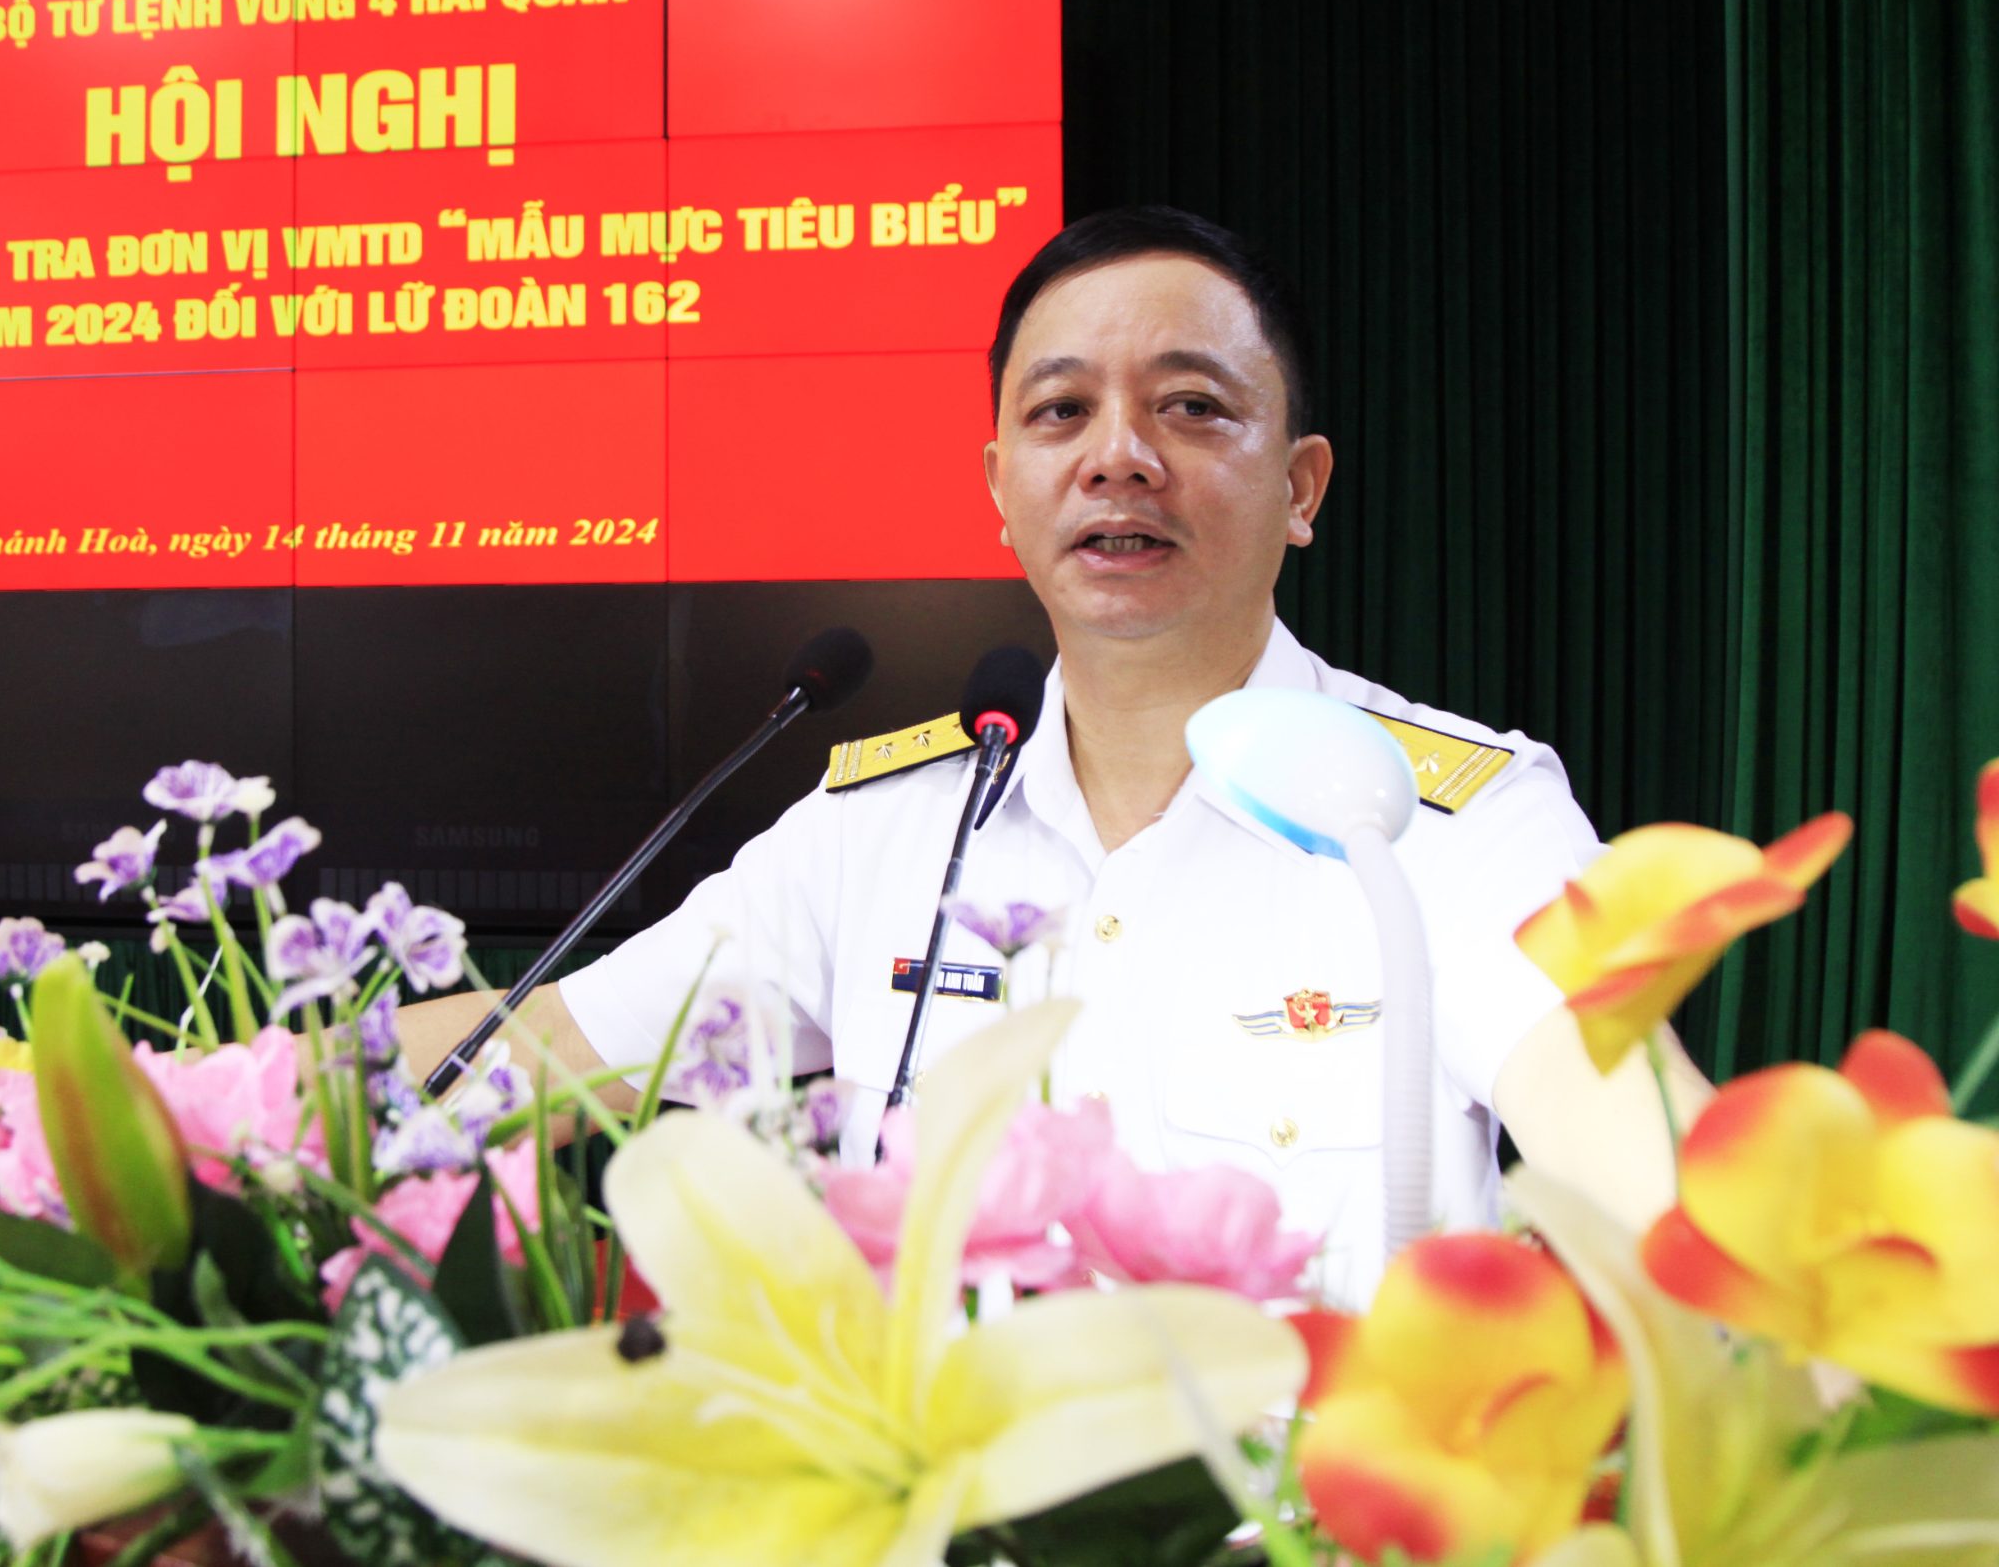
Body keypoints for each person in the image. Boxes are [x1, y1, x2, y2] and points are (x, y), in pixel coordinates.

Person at [393, 206, 1705, 1305]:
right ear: (999, 487)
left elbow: (1644, 1158)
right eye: (1061, 411)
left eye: (1192, 407)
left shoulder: (1450, 821)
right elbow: (532, 1053)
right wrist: (266, 1094)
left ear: (1302, 488)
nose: (1117, 457)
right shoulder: (881, 830)